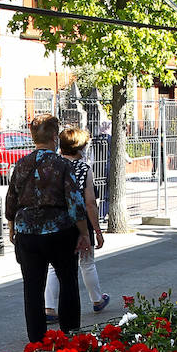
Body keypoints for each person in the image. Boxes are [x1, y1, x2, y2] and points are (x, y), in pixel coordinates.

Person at [7, 113, 90, 343]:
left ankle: (37, 342)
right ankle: (70, 336)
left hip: (28, 233)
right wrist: (83, 233)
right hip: (60, 231)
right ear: (55, 137)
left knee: (32, 289)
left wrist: (12, 228)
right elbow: (75, 202)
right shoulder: (63, 165)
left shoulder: (21, 164)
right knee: (68, 282)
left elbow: (11, 200)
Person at [46, 126, 108, 321]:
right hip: (80, 223)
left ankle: (49, 307)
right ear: (81, 148)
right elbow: (90, 203)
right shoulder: (84, 169)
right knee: (87, 263)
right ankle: (97, 300)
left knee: (54, 267)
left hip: (56, 223)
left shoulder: (52, 167)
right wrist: (96, 230)